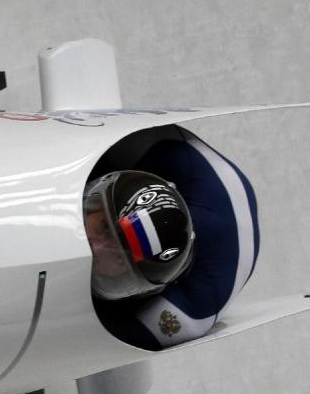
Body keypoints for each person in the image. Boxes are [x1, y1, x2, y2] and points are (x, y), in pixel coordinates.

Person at [85, 127, 259, 350]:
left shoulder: (194, 310)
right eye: (103, 227)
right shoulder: (168, 153)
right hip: (172, 160)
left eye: (119, 259)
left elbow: (104, 342)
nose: (95, 247)